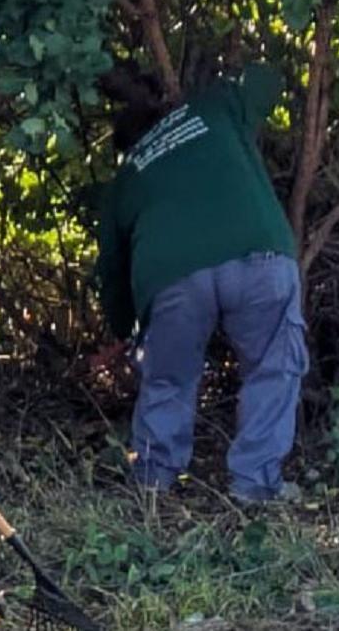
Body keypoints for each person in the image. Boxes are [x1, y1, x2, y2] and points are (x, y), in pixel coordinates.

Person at [96, 62, 309, 504]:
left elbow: (113, 271)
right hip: (259, 255)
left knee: (168, 379)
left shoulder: (125, 178)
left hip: (173, 279)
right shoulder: (212, 109)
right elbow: (266, 78)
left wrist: (122, 331)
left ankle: (153, 486)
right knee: (273, 367)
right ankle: (255, 486)